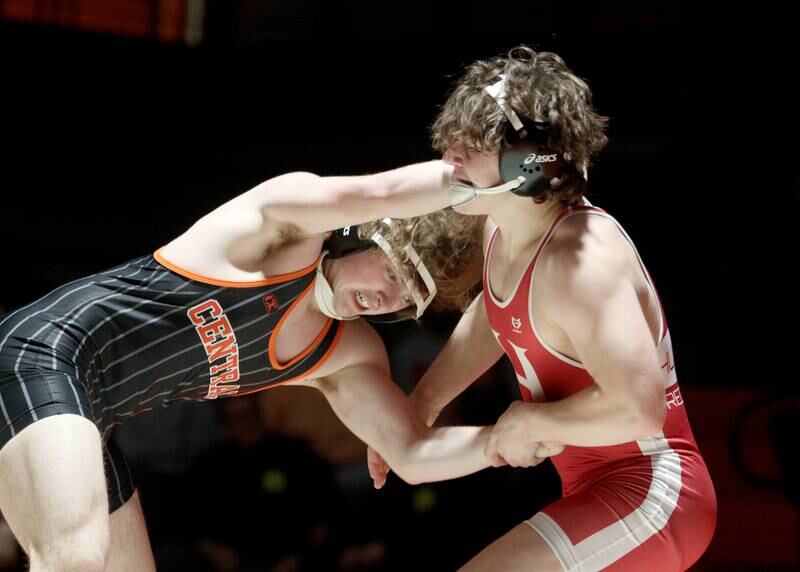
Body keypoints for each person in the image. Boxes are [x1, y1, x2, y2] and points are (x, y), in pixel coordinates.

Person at [0, 160, 494, 571]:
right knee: (76, 558)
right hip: (41, 352)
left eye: (406, 299)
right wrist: (493, 176)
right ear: (360, 234)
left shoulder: (347, 352)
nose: (385, 298)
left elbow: (410, 452)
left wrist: (506, 440)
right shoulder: (281, 232)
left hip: (92, 412)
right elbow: (381, 190)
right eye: (391, 271)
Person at [368, 46, 717, 571]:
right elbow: (499, 313)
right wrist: (423, 404)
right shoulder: (502, 229)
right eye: (451, 143)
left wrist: (533, 421)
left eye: (470, 146)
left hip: (653, 492)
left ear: (527, 162)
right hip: (593, 485)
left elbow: (638, 408)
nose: (449, 160)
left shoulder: (582, 261)